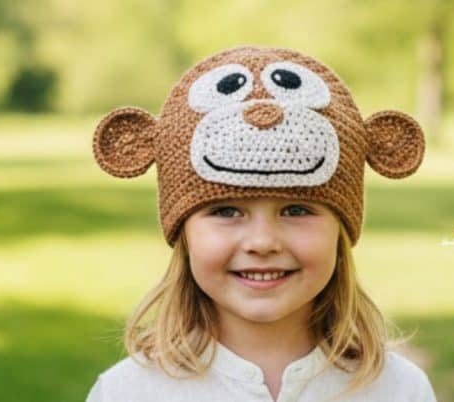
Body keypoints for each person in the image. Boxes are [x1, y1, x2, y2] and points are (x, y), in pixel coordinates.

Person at [85, 45, 436, 402]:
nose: (262, 241)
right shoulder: (128, 391)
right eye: (225, 211)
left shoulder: (398, 389)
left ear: (340, 230)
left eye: (296, 210)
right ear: (184, 235)